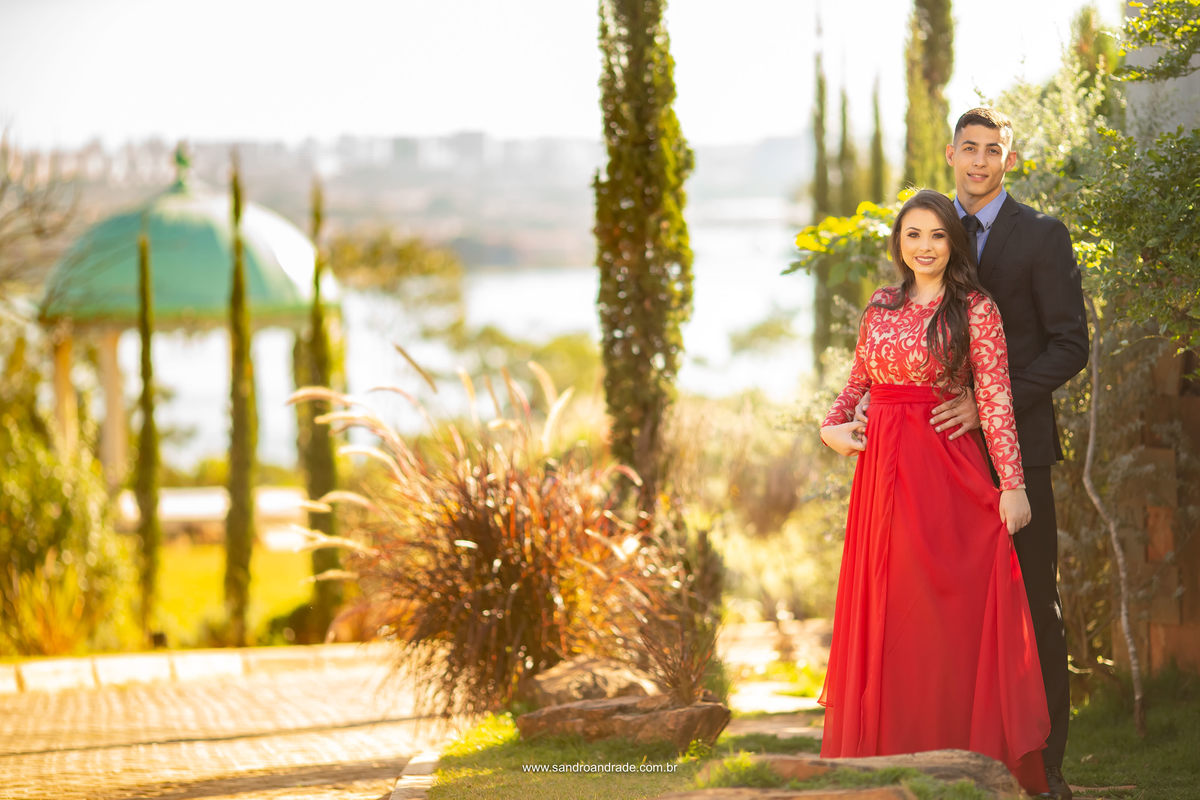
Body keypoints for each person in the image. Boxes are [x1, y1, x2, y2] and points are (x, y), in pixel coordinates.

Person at [818, 189, 1051, 796]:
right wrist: (830, 430)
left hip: (946, 475)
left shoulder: (975, 309)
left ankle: (958, 763)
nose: (923, 247)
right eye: (913, 235)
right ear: (899, 241)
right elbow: (855, 389)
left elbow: (996, 399)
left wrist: (1013, 486)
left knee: (942, 617)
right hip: (881, 482)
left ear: (955, 243)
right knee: (889, 612)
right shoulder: (880, 305)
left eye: (937, 236)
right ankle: (889, 763)